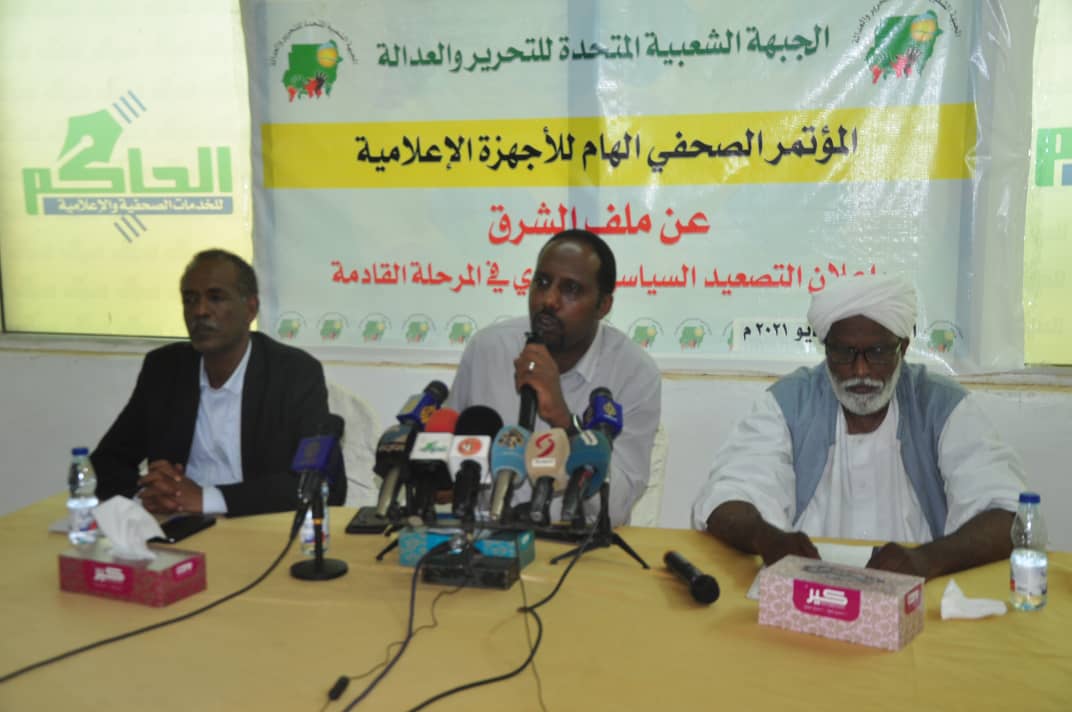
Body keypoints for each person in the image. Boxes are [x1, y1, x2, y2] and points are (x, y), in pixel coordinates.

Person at [692, 274, 1026, 579]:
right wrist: (767, 538)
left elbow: (1010, 514)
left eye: (877, 352)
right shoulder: (787, 403)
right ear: (826, 349)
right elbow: (726, 496)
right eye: (844, 352)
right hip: (804, 587)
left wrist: (926, 560)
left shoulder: (942, 406)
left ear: (903, 347)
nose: (860, 370)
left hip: (921, 590)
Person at [92, 249, 344, 517]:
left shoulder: (293, 373)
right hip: (177, 523)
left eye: (216, 297)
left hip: (253, 524)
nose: (200, 311)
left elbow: (322, 483)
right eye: (190, 300)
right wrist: (150, 492)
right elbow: (104, 463)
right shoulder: (164, 369)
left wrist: (207, 499)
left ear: (250, 308)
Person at [446, 230, 661, 527]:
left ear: (603, 306)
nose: (549, 300)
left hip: (575, 544)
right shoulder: (488, 349)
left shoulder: (634, 373)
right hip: (486, 535)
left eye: (571, 289)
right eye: (543, 282)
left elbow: (614, 508)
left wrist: (564, 420)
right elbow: (448, 458)